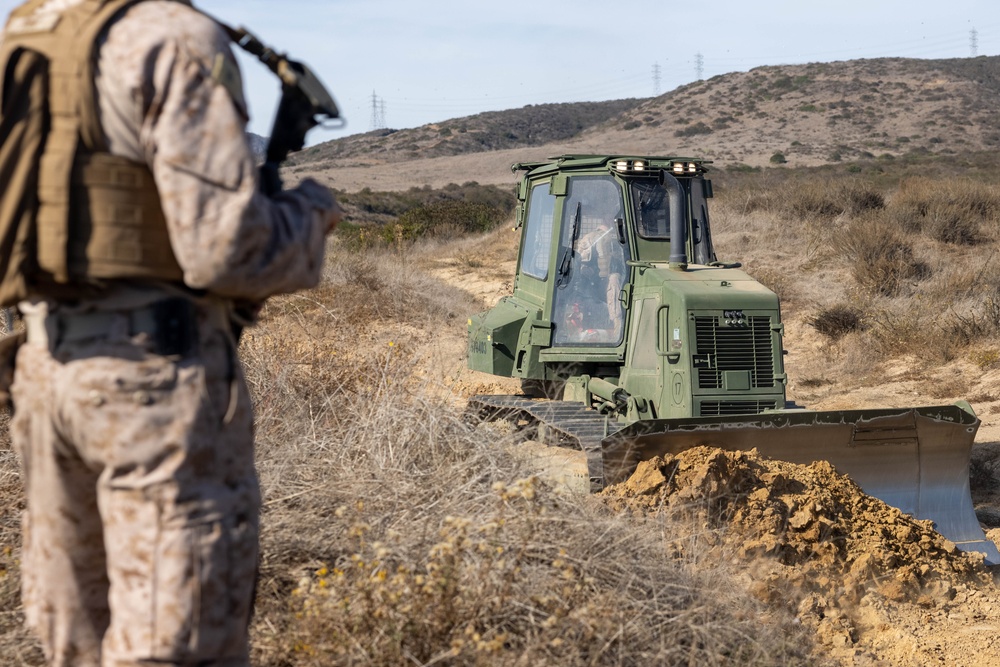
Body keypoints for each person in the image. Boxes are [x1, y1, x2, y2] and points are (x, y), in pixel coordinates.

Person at [0, 1, 342, 665]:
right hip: (146, 380)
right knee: (174, 643)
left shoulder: (27, 33)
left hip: (42, 368)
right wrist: (310, 212)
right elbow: (227, 251)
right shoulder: (174, 38)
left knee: (74, 638)